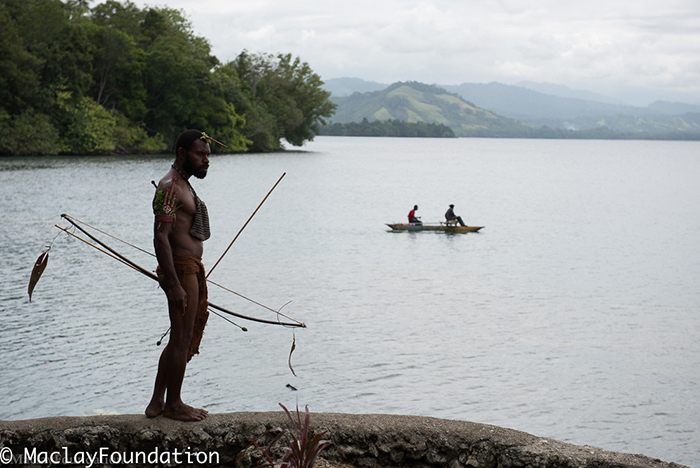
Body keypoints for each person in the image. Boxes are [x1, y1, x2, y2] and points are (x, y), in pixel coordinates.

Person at [146, 129, 213, 421]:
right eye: (200, 154)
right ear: (182, 153)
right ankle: (174, 404)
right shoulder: (170, 187)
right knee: (182, 338)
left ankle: (157, 401)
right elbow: (160, 237)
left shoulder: (184, 184)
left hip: (189, 269)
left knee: (178, 337)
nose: (206, 160)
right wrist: (173, 284)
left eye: (208, 155)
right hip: (181, 269)